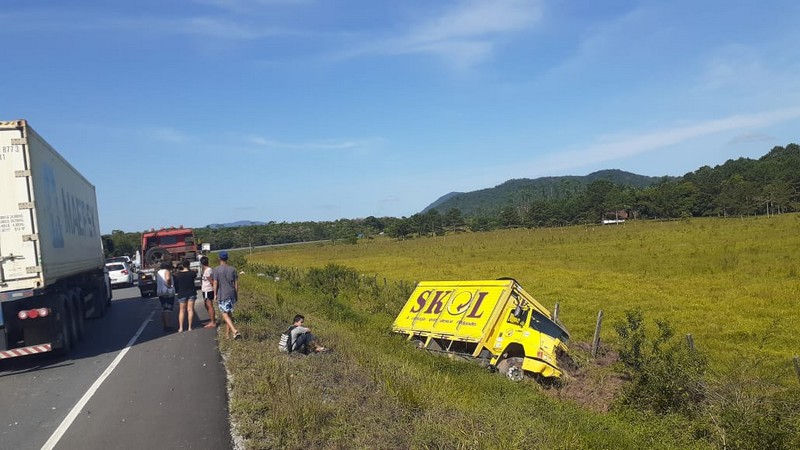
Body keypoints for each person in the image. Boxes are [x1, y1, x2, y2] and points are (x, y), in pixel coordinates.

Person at [212, 251, 241, 340]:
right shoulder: (233, 269)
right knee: (229, 313)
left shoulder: (216, 270)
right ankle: (227, 334)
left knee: (224, 313)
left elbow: (215, 282)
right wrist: (236, 294)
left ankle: (234, 330)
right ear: (227, 258)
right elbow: (236, 283)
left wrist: (215, 294)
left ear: (219, 258)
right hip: (231, 293)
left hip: (222, 294)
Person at [173, 259, 198, 332]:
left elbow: (175, 276)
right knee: (190, 310)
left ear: (182, 265)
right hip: (191, 292)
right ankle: (190, 327)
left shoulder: (178, 275)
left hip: (182, 293)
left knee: (182, 310)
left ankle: (181, 327)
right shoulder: (192, 273)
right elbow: (195, 273)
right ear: (189, 265)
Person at [155, 261, 175, 331]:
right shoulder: (167, 271)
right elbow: (168, 279)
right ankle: (168, 325)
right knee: (168, 310)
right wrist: (169, 285)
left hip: (160, 292)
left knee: (164, 309)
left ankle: (165, 325)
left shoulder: (159, 272)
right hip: (167, 292)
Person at [199, 256, 217, 328]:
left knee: (209, 305)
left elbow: (211, 280)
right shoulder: (206, 270)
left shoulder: (208, 270)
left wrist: (215, 288)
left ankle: (213, 322)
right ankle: (212, 320)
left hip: (208, 290)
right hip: (205, 289)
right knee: (206, 305)